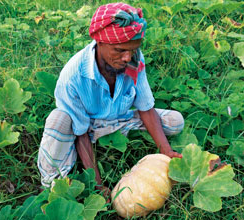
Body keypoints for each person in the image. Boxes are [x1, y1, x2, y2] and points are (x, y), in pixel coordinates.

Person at [37, 3, 184, 195]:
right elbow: (80, 132)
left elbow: (146, 108)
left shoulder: (134, 60)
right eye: (120, 50)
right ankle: (52, 179)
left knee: (175, 121)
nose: (126, 57)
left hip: (119, 121)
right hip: (85, 128)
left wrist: (165, 150)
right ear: (100, 42)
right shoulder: (73, 77)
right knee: (58, 120)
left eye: (132, 50)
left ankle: (107, 141)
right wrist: (98, 185)